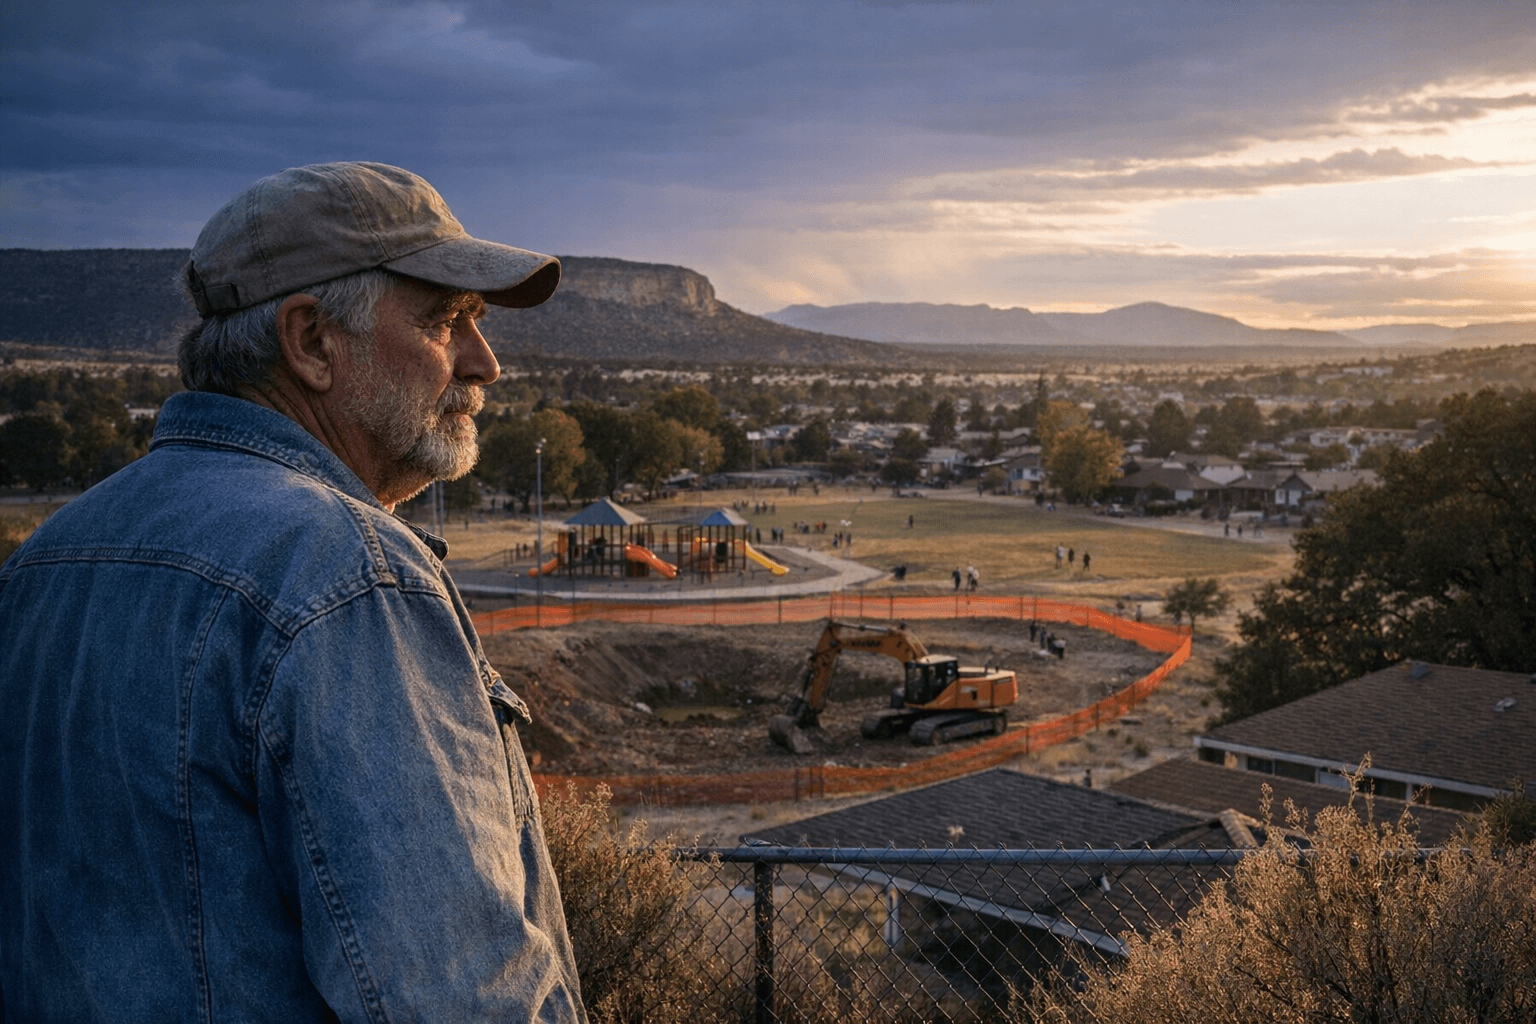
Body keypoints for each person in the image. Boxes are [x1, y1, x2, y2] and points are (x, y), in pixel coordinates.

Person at [0, 163, 587, 1022]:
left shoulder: (44, 560)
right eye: (443, 321)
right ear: (311, 341)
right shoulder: (348, 574)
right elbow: (461, 997)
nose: (485, 362)